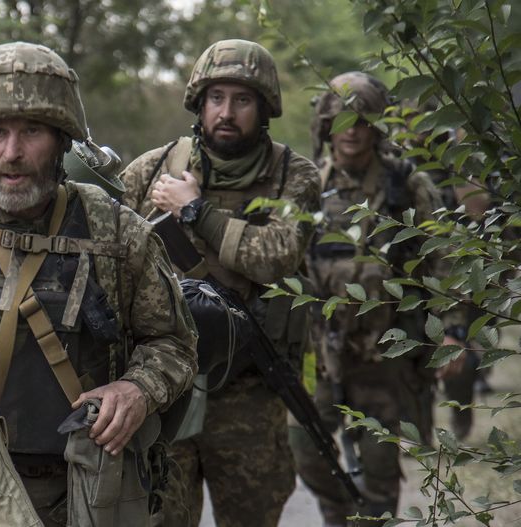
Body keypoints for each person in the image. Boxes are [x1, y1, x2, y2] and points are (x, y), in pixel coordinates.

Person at [0, 41, 197, 527]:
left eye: (32, 132)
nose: (13, 153)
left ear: (62, 139)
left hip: (82, 490)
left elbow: (175, 344)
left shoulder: (117, 234)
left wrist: (137, 389)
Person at [120, 39, 321, 527]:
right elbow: (107, 251)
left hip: (250, 392)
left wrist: (195, 211)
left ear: (265, 107)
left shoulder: (293, 177)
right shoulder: (153, 170)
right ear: (199, 102)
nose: (226, 112)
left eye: (242, 100)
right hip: (168, 383)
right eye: (217, 98)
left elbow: (275, 257)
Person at [292, 71, 449, 526]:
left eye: (361, 120)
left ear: (377, 126)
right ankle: (340, 514)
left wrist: (450, 328)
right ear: (325, 125)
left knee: (380, 475)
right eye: (340, 120)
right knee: (307, 453)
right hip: (322, 353)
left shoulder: (406, 186)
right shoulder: (309, 185)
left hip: (385, 357)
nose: (351, 131)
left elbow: (443, 259)